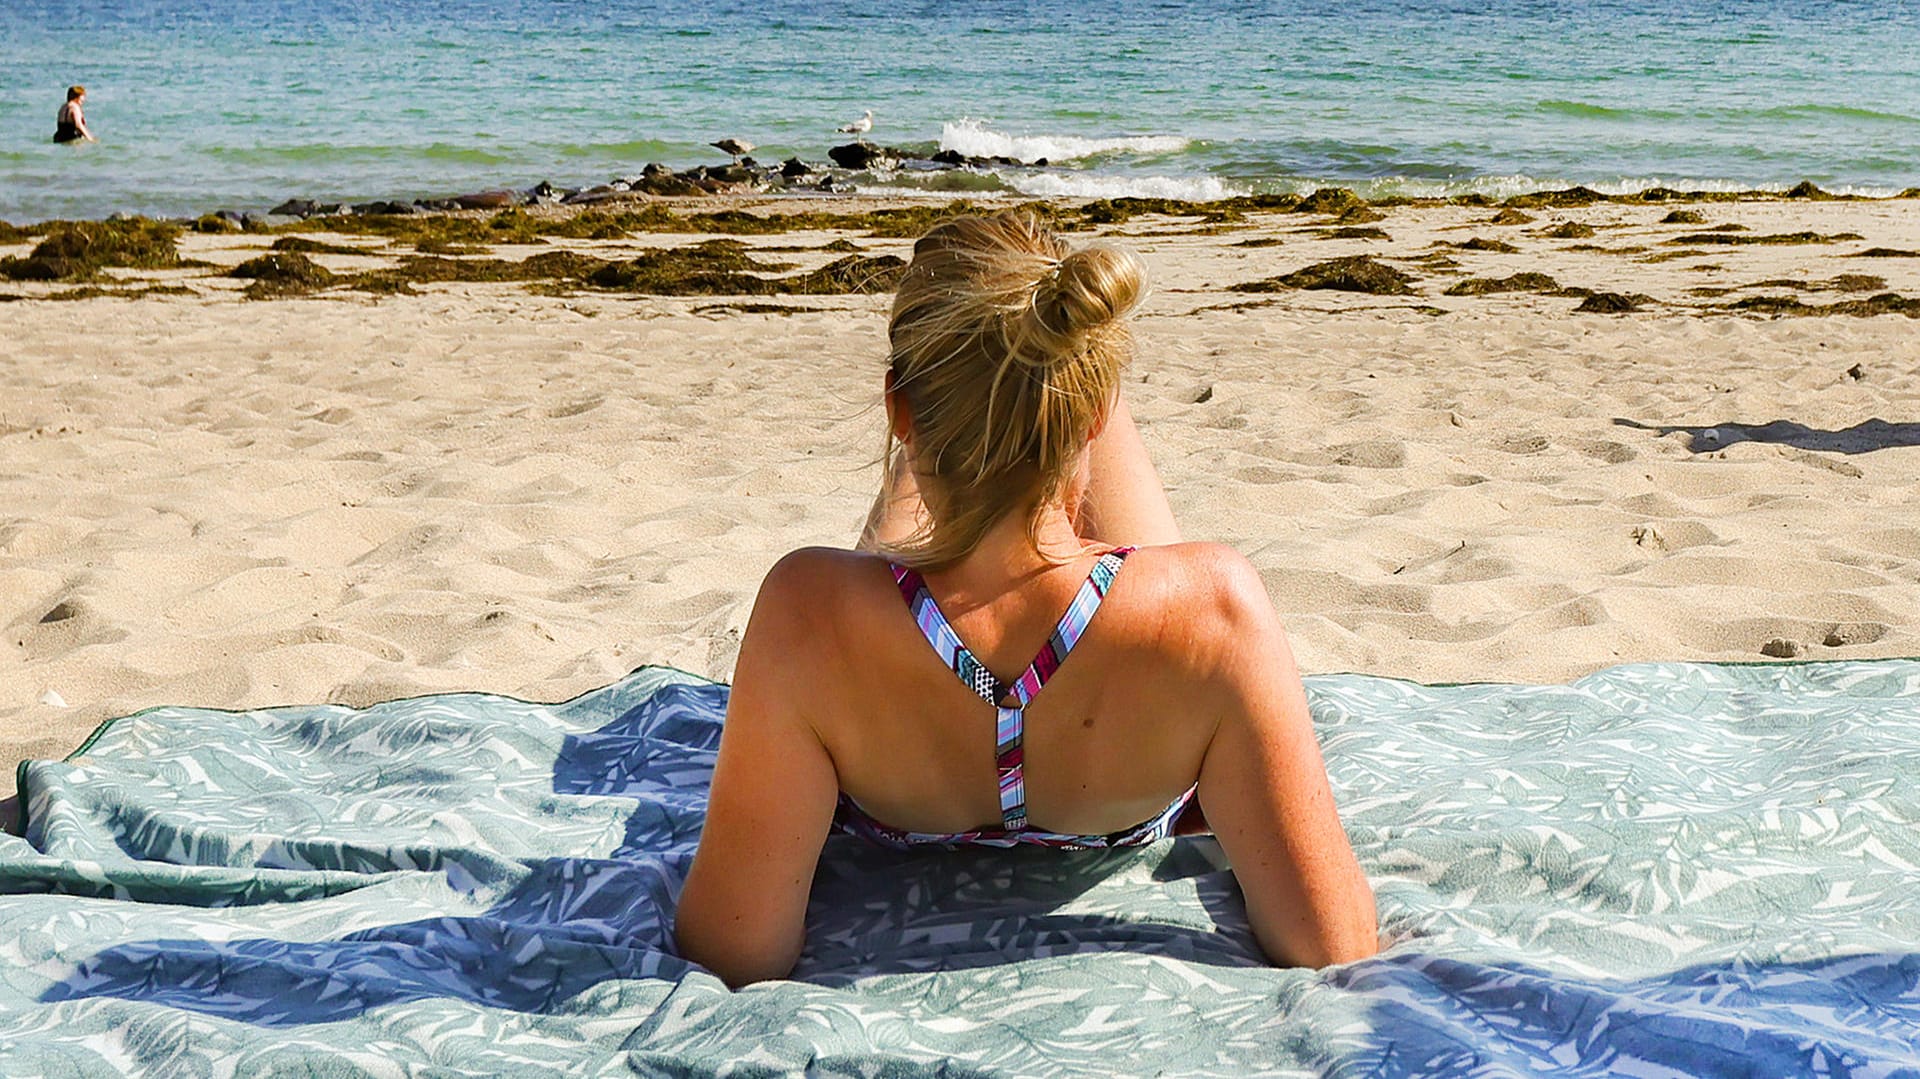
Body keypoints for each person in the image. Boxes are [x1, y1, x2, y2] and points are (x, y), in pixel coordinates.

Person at [675, 211, 1377, 986]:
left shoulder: (806, 613)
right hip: (1116, 731)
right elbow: (1332, 939)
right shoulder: (1213, 613)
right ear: (1098, 420)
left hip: (897, 707)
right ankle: (1034, 417)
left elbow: (733, 948)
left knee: (947, 491)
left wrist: (945, 434)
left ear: (894, 409)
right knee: (1048, 421)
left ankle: (974, 435)